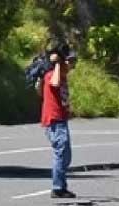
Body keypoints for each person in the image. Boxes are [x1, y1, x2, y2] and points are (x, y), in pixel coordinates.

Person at [41, 46, 77, 198]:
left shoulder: (61, 77)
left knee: (66, 155)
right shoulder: (52, 75)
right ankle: (57, 188)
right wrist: (57, 63)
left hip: (61, 119)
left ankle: (61, 185)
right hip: (54, 119)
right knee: (61, 153)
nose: (72, 66)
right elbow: (54, 84)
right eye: (70, 62)